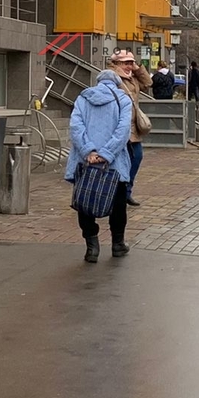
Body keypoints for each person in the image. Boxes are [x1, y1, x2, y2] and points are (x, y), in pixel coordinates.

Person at [66, 68, 133, 262]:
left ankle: (91, 247)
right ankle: (118, 244)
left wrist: (89, 151)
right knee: (119, 205)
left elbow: (75, 126)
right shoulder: (123, 100)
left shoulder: (83, 98)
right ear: (117, 83)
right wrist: (106, 153)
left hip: (86, 162)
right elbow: (123, 131)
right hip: (114, 164)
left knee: (85, 202)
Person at [110, 50, 152, 207]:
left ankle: (126, 191)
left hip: (133, 126)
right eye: (126, 63)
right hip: (119, 125)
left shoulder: (132, 77)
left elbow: (148, 83)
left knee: (137, 157)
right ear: (117, 63)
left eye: (131, 63)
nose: (129, 66)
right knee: (122, 160)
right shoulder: (113, 77)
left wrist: (137, 68)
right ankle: (118, 191)